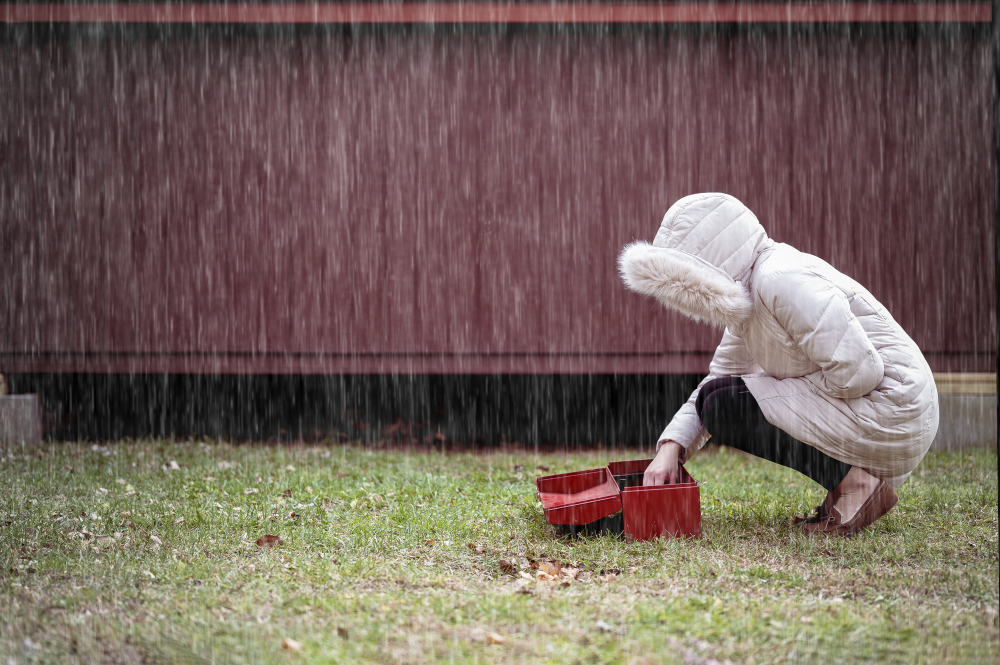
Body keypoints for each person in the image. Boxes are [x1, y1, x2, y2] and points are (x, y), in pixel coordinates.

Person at [618, 193, 938, 535]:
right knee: (718, 398)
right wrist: (671, 448)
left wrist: (789, 386)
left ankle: (858, 486)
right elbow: (718, 378)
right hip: (885, 407)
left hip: (894, 405)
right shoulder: (752, 297)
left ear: (706, 265)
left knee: (725, 404)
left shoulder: (779, 278)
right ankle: (850, 483)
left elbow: (860, 372)